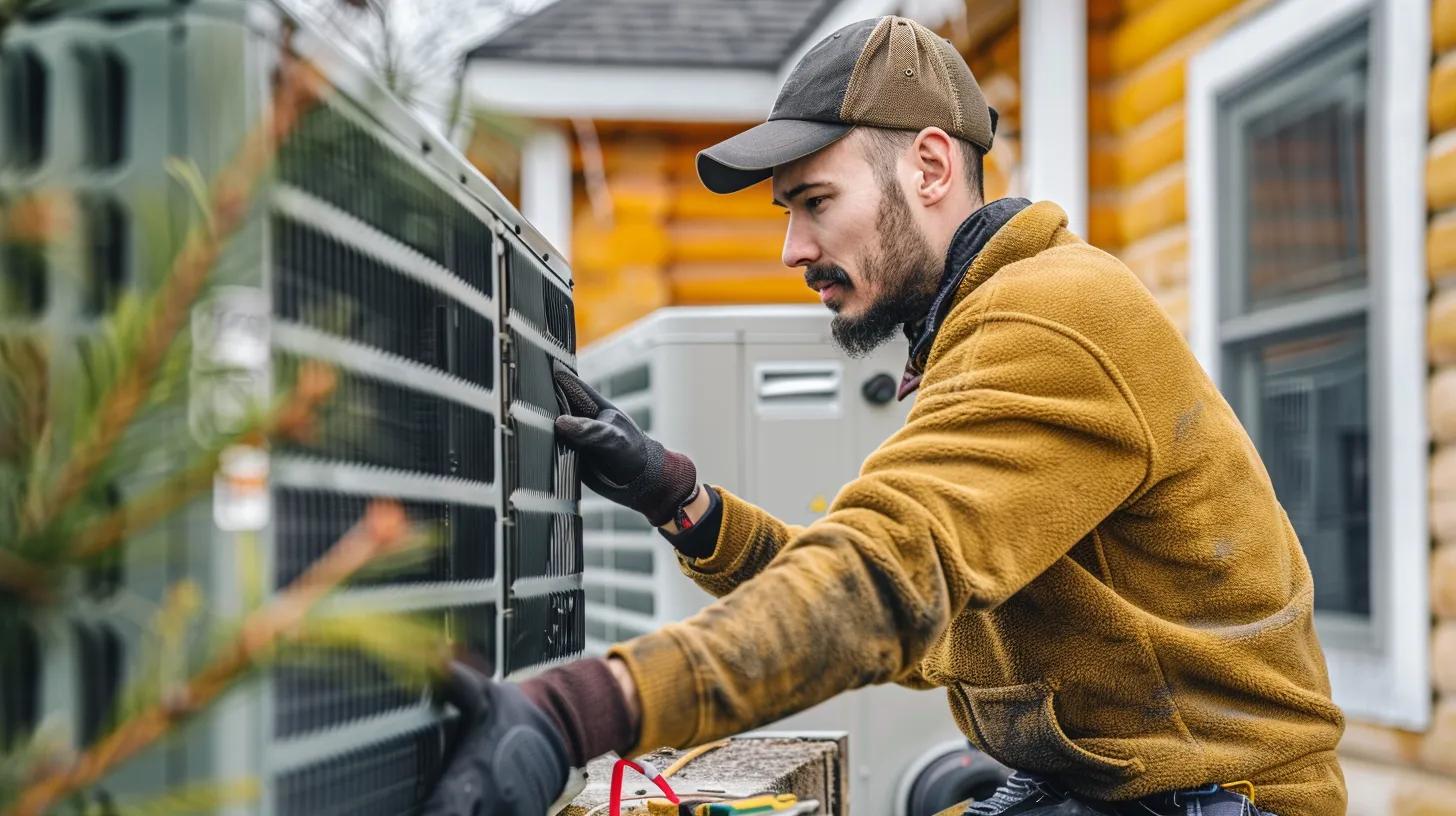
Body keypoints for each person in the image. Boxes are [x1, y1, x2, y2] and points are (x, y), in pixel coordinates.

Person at [423, 15, 1345, 816]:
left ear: (931, 165)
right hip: (1101, 790)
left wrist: (576, 711)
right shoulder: (972, 331)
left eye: (816, 202)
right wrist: (683, 501)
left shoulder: (1054, 314)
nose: (793, 248)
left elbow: (881, 579)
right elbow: (906, 609)